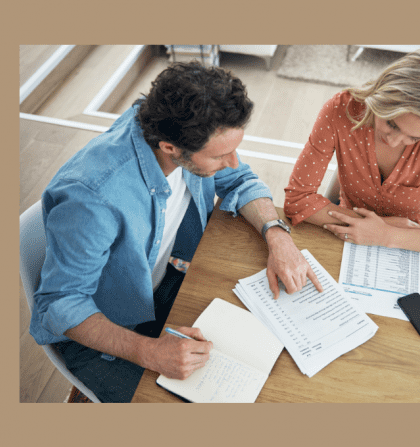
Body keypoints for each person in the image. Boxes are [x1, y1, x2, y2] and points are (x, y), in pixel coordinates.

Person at [29, 61, 323, 402]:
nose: (233, 161)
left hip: (156, 290)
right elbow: (58, 304)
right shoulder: (93, 200)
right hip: (103, 336)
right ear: (170, 147)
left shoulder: (168, 125)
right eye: (221, 155)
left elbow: (240, 180)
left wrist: (278, 237)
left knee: (274, 357)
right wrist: (149, 352)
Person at [284, 47, 420, 262]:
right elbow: (297, 199)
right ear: (382, 95)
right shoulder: (340, 110)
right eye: (391, 123)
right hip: (348, 234)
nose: (393, 140)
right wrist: (374, 227)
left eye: (414, 139)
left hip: (418, 243)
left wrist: (387, 235)